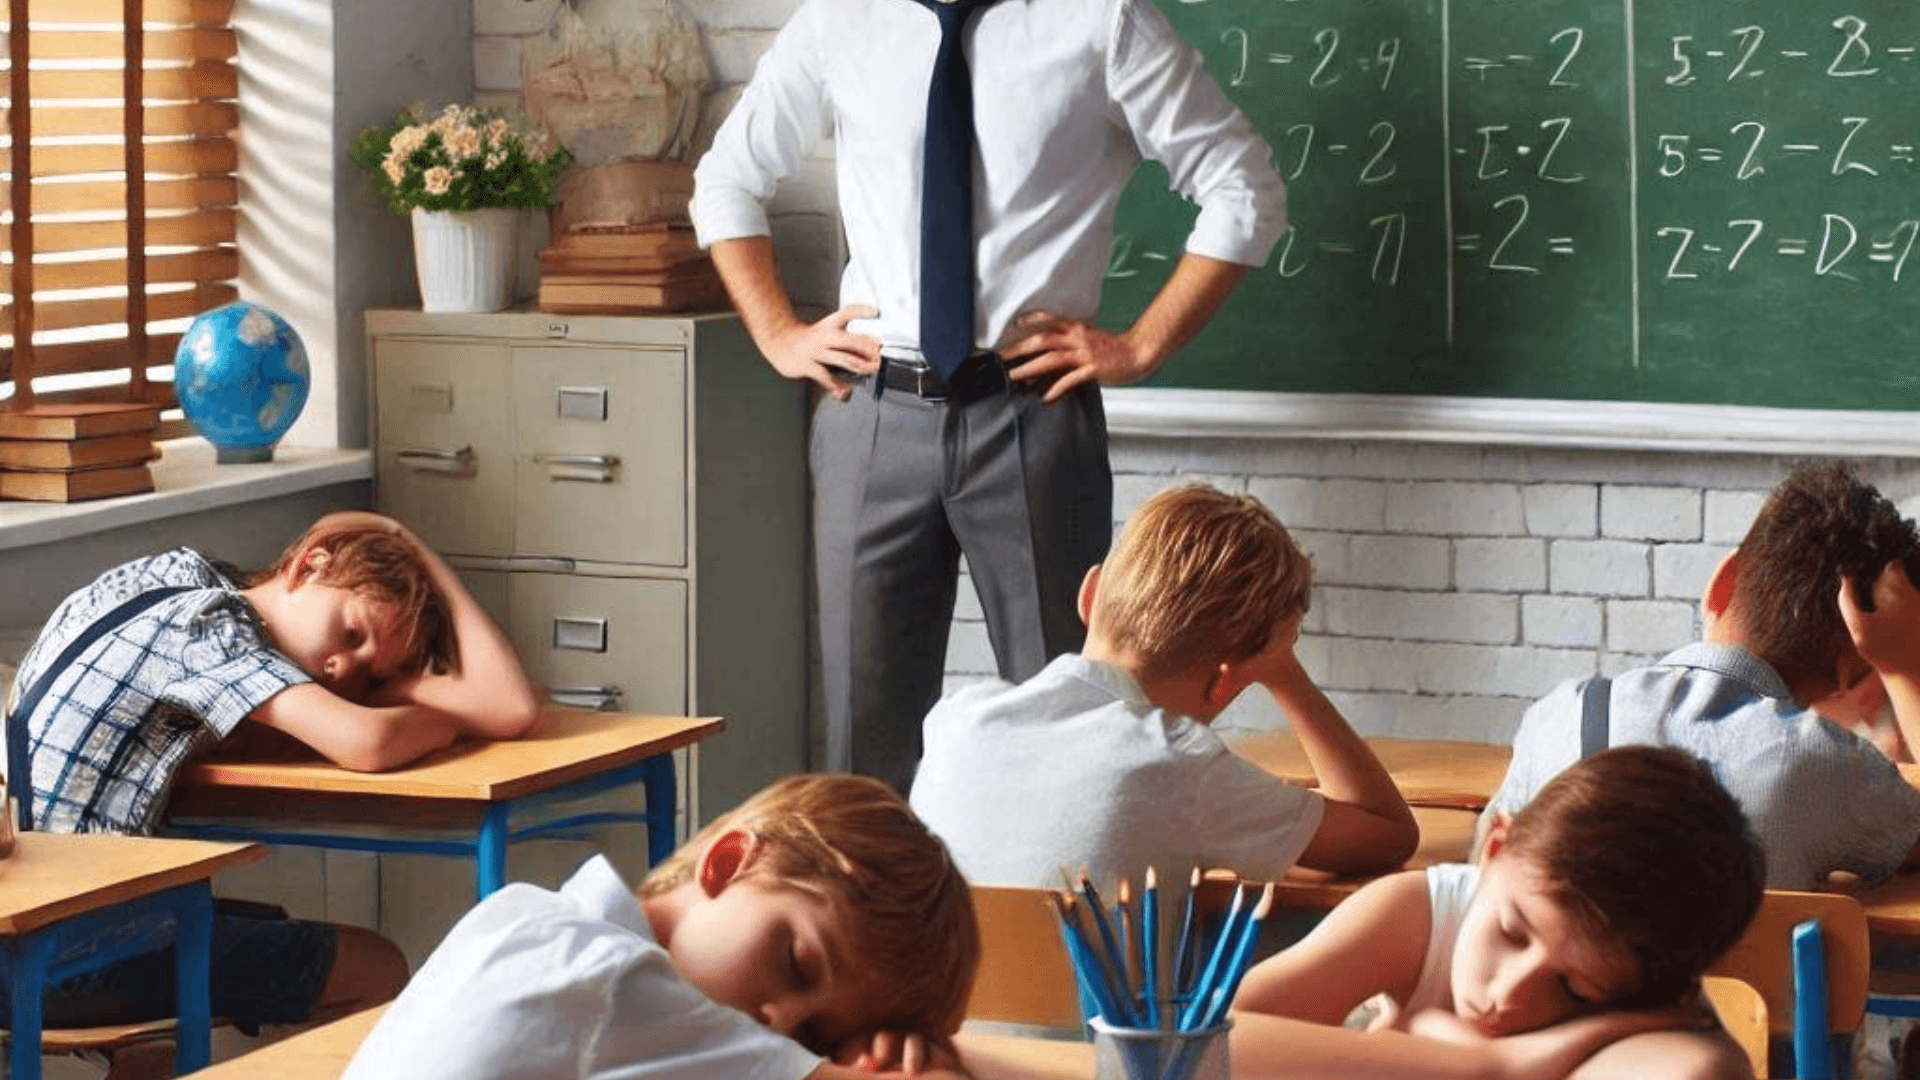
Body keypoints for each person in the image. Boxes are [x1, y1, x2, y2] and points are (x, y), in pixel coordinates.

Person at [690, 0, 1288, 792]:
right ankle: (880, 917)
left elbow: (1245, 188)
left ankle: (1049, 916)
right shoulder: (842, 18)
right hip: (870, 412)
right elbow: (726, 179)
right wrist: (776, 333)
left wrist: (1142, 345)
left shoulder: (1101, 21)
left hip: (1031, 415)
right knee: (865, 735)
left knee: (1070, 719)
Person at [1, 509, 540, 1058]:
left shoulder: (163, 579)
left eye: (369, 672)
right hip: (68, 953)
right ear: (308, 566)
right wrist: (439, 715)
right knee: (375, 968)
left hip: (23, 928)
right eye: (352, 632)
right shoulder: (210, 627)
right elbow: (378, 742)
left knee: (227, 963)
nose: (341, 668)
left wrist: (401, 546)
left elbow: (505, 710)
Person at [910, 484, 1417, 888]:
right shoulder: (1179, 763)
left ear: (1089, 595)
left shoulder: (956, 719)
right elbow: (1388, 833)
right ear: (1228, 679)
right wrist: (1287, 676)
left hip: (948, 1018)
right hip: (1103, 1023)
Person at [340, 773, 981, 1080]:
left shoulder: (530, 917)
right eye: (798, 963)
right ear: (728, 861)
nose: (780, 1021)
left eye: (817, 1036)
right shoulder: (621, 985)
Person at [1477, 461, 1920, 890]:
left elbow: (1483, 871)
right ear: (1853, 663)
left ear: (1721, 582)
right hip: (1741, 971)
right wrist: (1901, 665)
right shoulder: (1827, 765)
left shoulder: (1562, 716)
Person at [1223, 745, 1765, 1080]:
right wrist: (1491, 1066)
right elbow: (1191, 1045)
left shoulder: (1649, 987)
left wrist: (1423, 1040)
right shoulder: (1420, 913)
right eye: (1512, 933)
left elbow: (1701, 1072)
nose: (1510, 994)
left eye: (1577, 991)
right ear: (1495, 847)